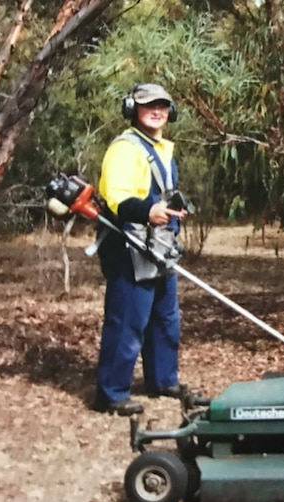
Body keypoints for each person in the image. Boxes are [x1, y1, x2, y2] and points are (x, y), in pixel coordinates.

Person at [92, 83, 189, 416]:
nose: (157, 110)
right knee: (126, 322)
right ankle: (111, 393)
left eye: (163, 105)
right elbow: (117, 196)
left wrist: (173, 210)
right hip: (129, 246)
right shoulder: (125, 148)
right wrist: (147, 212)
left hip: (160, 246)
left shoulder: (161, 146)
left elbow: (160, 190)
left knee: (165, 318)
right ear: (132, 108)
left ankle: (162, 380)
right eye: (149, 105)